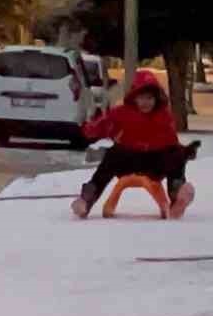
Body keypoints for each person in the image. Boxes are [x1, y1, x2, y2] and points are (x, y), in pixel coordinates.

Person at [70, 70, 200, 219]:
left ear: (156, 99)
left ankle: (177, 195)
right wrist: (85, 130)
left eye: (150, 98)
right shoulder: (122, 113)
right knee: (112, 154)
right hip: (129, 161)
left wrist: (186, 152)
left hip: (154, 164)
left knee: (176, 154)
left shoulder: (164, 116)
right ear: (134, 98)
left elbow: (170, 143)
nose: (146, 102)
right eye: (142, 98)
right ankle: (87, 198)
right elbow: (102, 125)